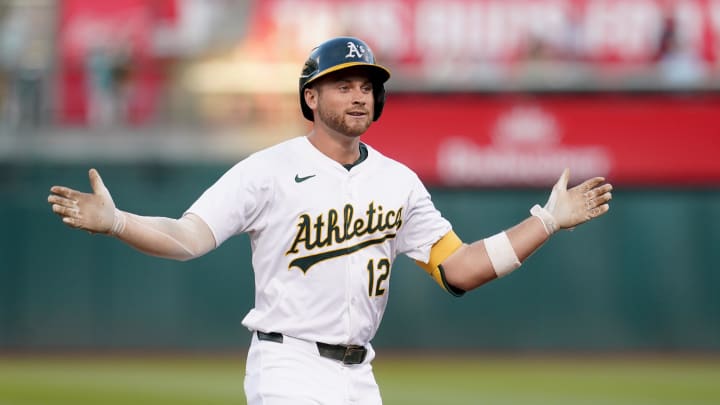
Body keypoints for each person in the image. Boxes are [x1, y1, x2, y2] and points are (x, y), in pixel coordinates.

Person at [47, 37, 612, 405]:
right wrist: (119, 220)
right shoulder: (267, 170)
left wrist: (547, 220)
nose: (360, 95)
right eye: (344, 84)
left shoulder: (399, 181)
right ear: (310, 98)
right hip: (287, 363)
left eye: (367, 86)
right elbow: (189, 236)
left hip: (359, 375)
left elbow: (459, 269)